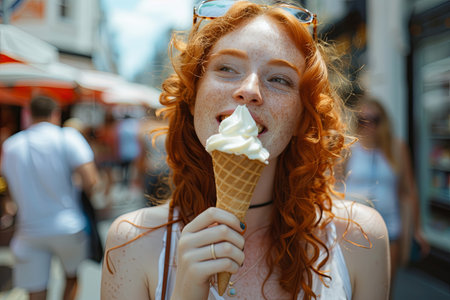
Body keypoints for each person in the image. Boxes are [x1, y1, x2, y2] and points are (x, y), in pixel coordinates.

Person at [101, 1, 390, 299]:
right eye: (226, 68)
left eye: (279, 78)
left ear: (302, 116)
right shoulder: (132, 243)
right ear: (193, 95)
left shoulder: (360, 239)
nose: (250, 89)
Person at [0, 96, 99, 300]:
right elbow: (91, 181)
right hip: (68, 226)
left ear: (29, 114)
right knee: (71, 278)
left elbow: (8, 188)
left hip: (29, 230)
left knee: (35, 291)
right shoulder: (68, 137)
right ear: (55, 114)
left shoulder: (12, 145)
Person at [342, 97, 430, 283]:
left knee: (386, 285)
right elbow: (336, 185)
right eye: (362, 120)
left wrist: (417, 229)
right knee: (356, 285)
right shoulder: (348, 147)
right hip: (354, 227)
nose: (368, 125)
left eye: (374, 119)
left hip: (390, 227)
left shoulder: (397, 148)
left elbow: (409, 190)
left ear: (384, 121)